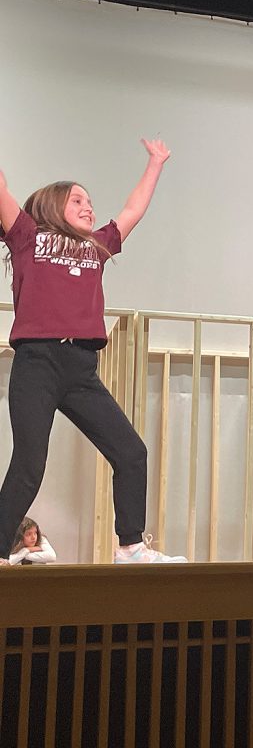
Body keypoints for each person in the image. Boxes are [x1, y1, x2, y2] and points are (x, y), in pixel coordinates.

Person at [0, 140, 186, 566]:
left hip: (81, 367)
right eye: (77, 200)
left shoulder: (97, 246)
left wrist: (155, 162)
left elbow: (133, 209)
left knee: (131, 453)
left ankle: (131, 547)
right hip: (38, 363)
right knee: (29, 466)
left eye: (89, 201)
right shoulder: (28, 235)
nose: (88, 207)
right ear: (50, 206)